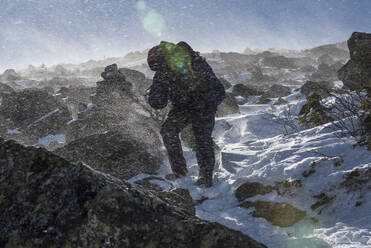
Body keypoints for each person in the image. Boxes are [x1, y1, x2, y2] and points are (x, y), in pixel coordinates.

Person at [147, 41, 225, 187]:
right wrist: (154, 97)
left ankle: (204, 176)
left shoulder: (194, 63)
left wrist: (207, 103)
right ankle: (182, 172)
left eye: (159, 67)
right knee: (169, 131)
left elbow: (218, 90)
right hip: (184, 107)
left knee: (200, 137)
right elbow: (158, 102)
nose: (160, 70)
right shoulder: (163, 72)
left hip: (203, 106)